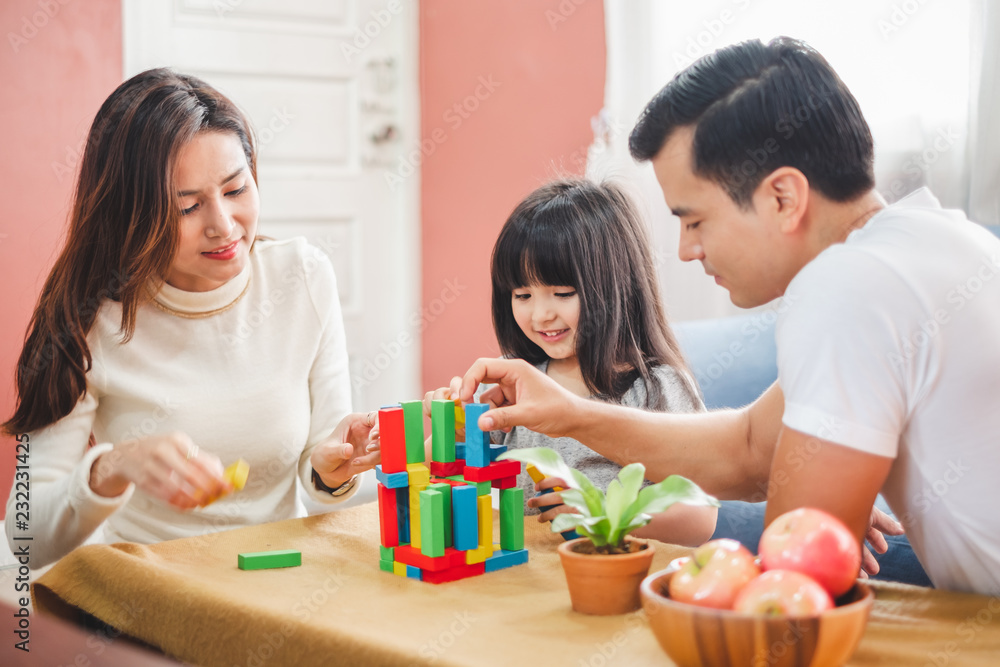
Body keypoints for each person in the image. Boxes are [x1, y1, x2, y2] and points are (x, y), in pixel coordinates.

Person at [457, 38, 1000, 597]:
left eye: (695, 221)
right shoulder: (942, 240)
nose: (688, 250)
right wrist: (567, 413)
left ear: (783, 197)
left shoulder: (848, 288)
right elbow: (749, 450)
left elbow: (797, 581)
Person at [3, 69, 380, 569]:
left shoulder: (303, 276)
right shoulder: (87, 319)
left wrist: (335, 470)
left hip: (281, 573)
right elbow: (24, 536)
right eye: (187, 208)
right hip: (153, 587)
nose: (223, 226)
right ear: (132, 215)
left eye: (236, 189)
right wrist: (114, 466)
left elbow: (324, 466)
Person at [426, 179, 718, 546]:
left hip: (610, 581)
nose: (541, 314)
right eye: (522, 294)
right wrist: (450, 426)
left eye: (562, 293)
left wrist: (596, 516)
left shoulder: (656, 388)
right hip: (522, 581)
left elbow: (699, 518)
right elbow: (431, 469)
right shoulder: (514, 380)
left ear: (617, 286)